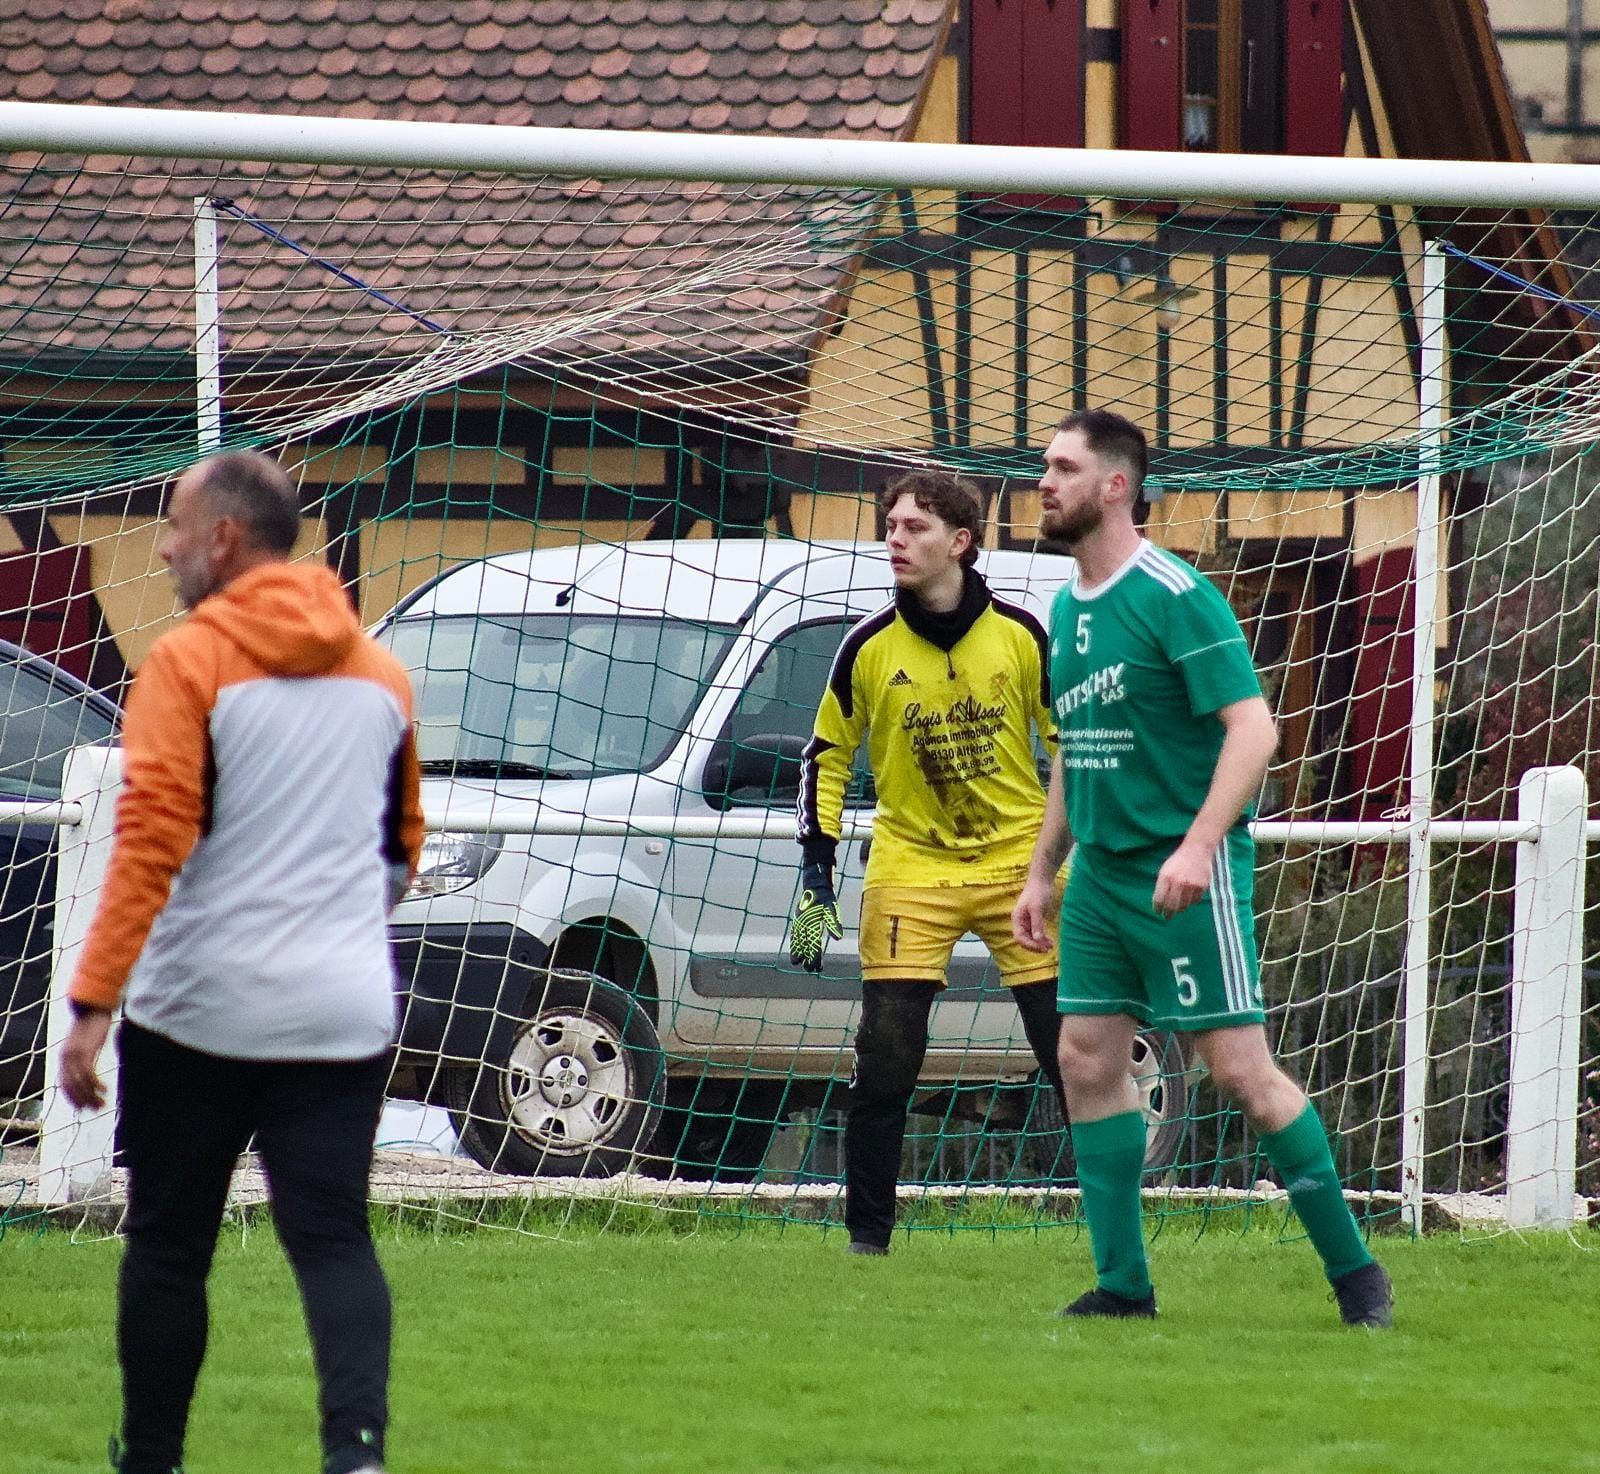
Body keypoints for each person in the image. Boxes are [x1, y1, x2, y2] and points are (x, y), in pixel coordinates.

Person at [57, 451, 424, 1474]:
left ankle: (155, 1459)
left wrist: (91, 1002)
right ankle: (356, 1456)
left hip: (200, 1009)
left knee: (171, 1248)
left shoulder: (188, 662)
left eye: (173, 525)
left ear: (224, 537)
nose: (164, 545)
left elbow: (151, 838)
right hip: (341, 1010)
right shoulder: (381, 673)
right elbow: (401, 849)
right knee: (336, 1241)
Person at [1012, 409, 1392, 1327]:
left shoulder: (1176, 593)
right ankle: (1123, 1287)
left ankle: (1357, 1276)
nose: (1045, 483)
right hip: (1101, 879)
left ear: (1115, 486)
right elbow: (1077, 749)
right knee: (1085, 1057)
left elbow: (1254, 729)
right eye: (1045, 468)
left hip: (1188, 874)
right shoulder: (1066, 607)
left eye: (1062, 468)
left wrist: (1196, 845)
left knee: (1239, 1076)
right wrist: (1040, 871)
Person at [791, 469, 1068, 1254]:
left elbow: (1072, 749)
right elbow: (826, 757)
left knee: (1071, 1057)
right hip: (911, 869)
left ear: (961, 542)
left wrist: (1069, 859)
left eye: (913, 527)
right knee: (885, 1060)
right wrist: (818, 875)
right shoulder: (868, 646)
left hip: (1022, 868)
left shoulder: (1022, 634)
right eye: (889, 526)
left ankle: (1113, 1235)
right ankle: (867, 1244)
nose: (895, 540)